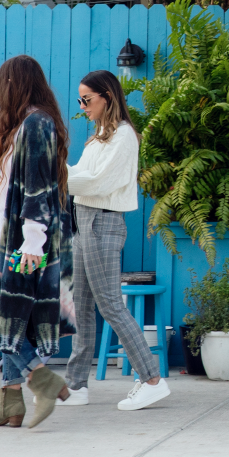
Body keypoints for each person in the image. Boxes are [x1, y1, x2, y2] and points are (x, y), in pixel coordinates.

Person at [0, 55, 73, 429]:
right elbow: (5, 192)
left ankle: (42, 378)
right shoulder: (23, 127)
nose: (0, 93)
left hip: (20, 244)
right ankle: (11, 401)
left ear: (14, 84)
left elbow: (37, 188)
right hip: (3, 240)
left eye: (3, 85)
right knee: (13, 319)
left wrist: (32, 240)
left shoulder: (36, 124)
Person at [62, 70, 169, 412]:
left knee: (109, 303)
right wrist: (59, 170)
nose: (82, 106)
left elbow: (97, 182)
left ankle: (152, 379)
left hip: (102, 223)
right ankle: (76, 385)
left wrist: (54, 173)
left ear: (106, 96)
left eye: (87, 99)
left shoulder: (123, 136)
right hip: (85, 220)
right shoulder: (100, 136)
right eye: (79, 100)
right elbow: (80, 174)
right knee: (81, 305)